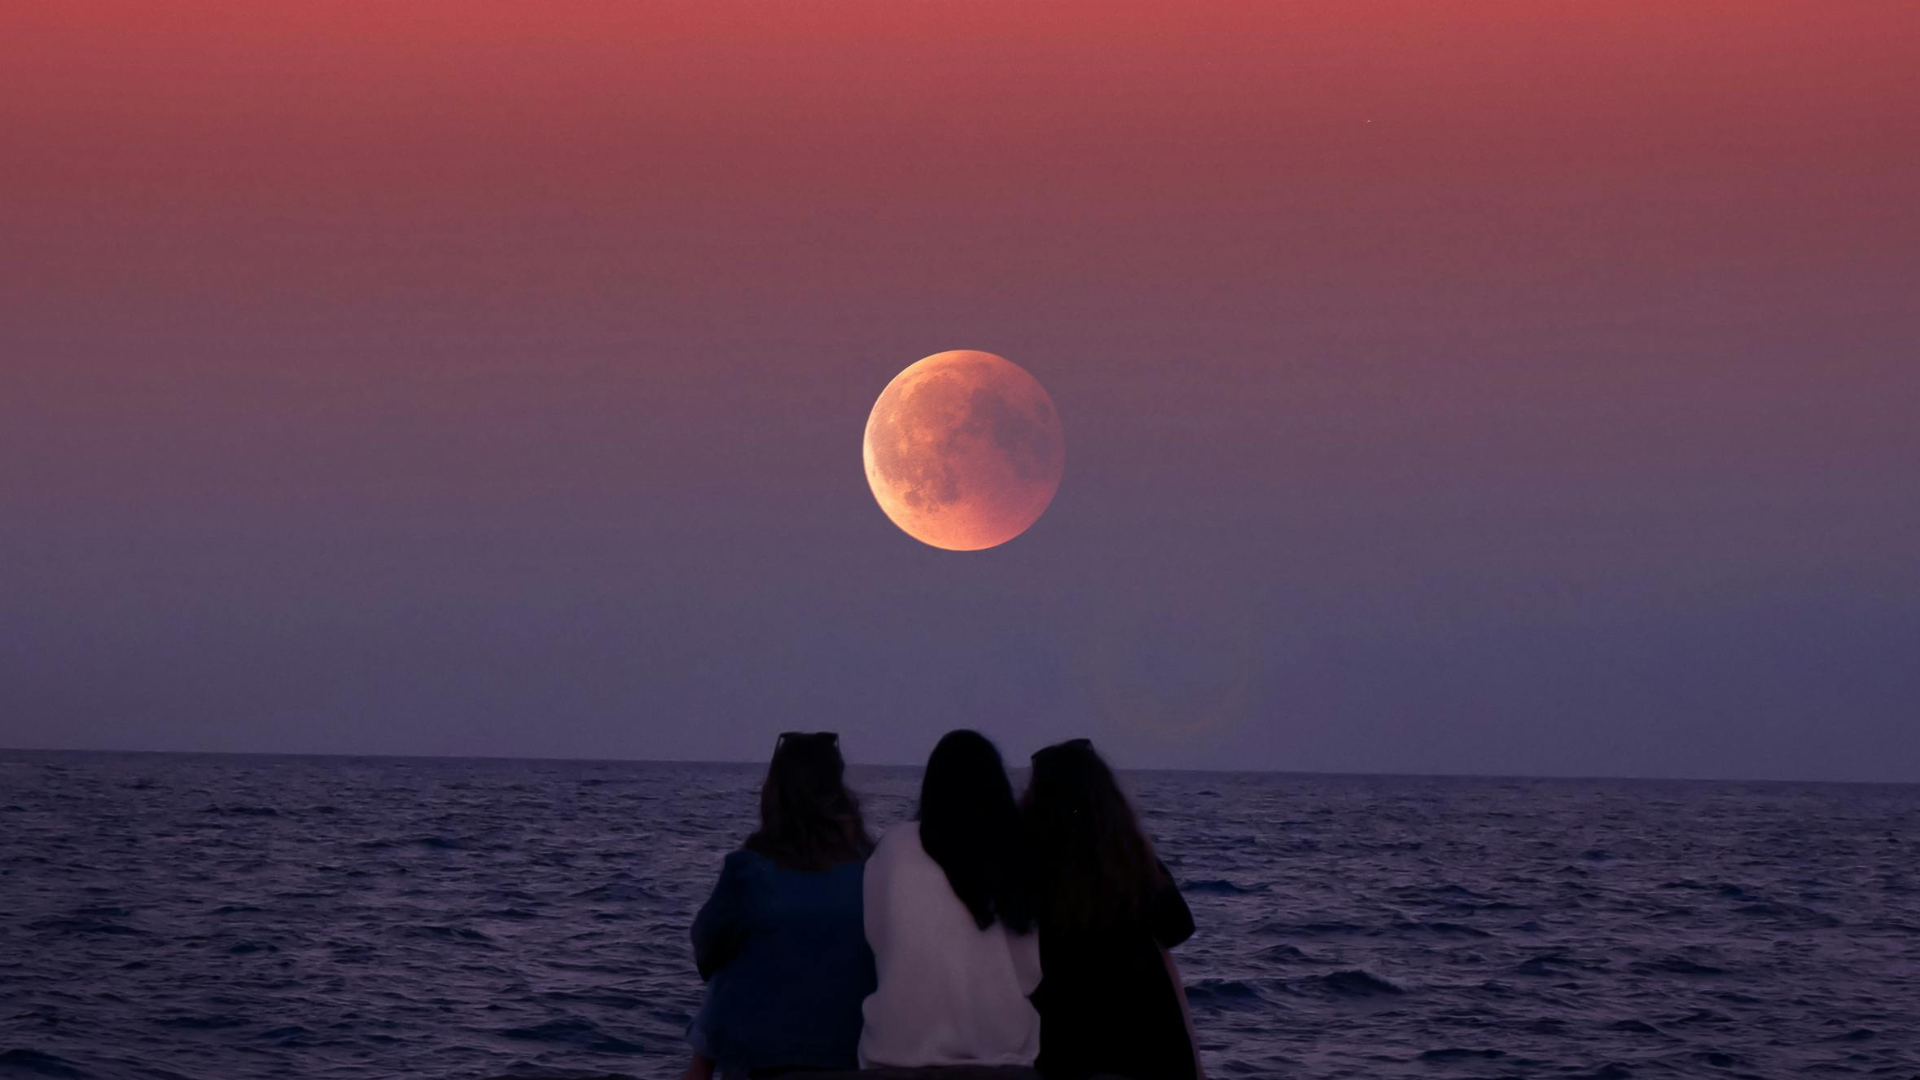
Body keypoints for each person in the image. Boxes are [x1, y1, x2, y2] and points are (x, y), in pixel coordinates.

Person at [682, 731, 876, 1080]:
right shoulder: (872, 869)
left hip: (763, 1062)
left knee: (734, 959)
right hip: (851, 1052)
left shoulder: (750, 870)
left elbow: (705, 951)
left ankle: (699, 1070)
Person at [858, 729, 1043, 1069]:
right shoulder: (1013, 853)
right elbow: (1030, 973)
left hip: (895, 1049)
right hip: (997, 1052)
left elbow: (879, 941)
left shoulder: (895, 846)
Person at [1021, 738, 1202, 1080]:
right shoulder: (1133, 864)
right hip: (1148, 1045)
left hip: (1065, 1048)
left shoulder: (1027, 866)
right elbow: (1176, 930)